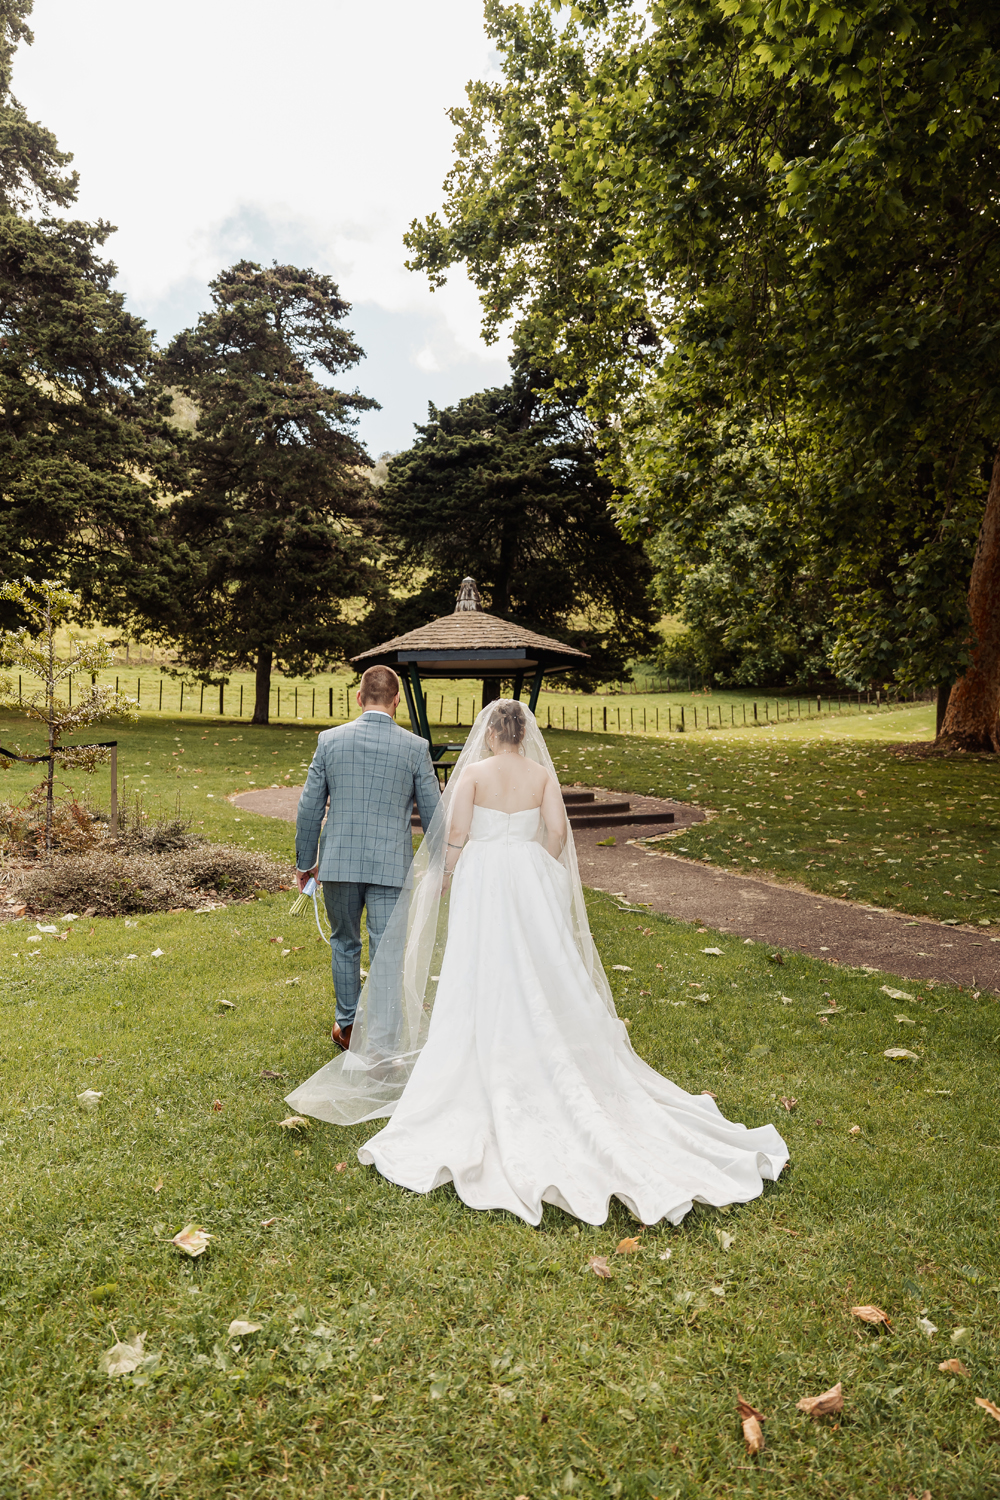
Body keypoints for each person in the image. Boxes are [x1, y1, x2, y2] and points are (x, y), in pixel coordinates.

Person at [287, 699, 788, 1227]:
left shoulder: (475, 774)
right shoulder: (542, 776)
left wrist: (448, 874)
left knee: (480, 962)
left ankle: (487, 1040)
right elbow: (557, 834)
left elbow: (454, 837)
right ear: (523, 735)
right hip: (526, 874)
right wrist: (535, 867)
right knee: (539, 963)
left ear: (488, 735)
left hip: (483, 875)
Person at [294, 664, 441, 1051]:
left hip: (340, 861)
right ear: (397, 702)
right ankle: (385, 1038)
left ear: (359, 698)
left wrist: (305, 862)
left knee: (345, 941)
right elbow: (434, 816)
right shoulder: (416, 747)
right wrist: (442, 865)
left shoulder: (330, 741)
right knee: (387, 949)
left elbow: (309, 807)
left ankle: (348, 1027)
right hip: (391, 865)